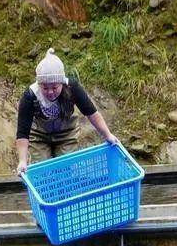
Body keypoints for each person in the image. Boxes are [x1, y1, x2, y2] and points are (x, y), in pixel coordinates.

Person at [16, 48, 118, 176]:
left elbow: (91, 113)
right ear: (39, 84)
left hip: (66, 135)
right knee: (43, 172)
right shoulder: (30, 95)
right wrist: (22, 161)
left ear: (62, 83)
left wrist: (108, 135)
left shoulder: (72, 88)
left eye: (54, 87)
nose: (50, 92)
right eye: (45, 88)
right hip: (38, 137)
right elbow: (22, 132)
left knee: (65, 171)